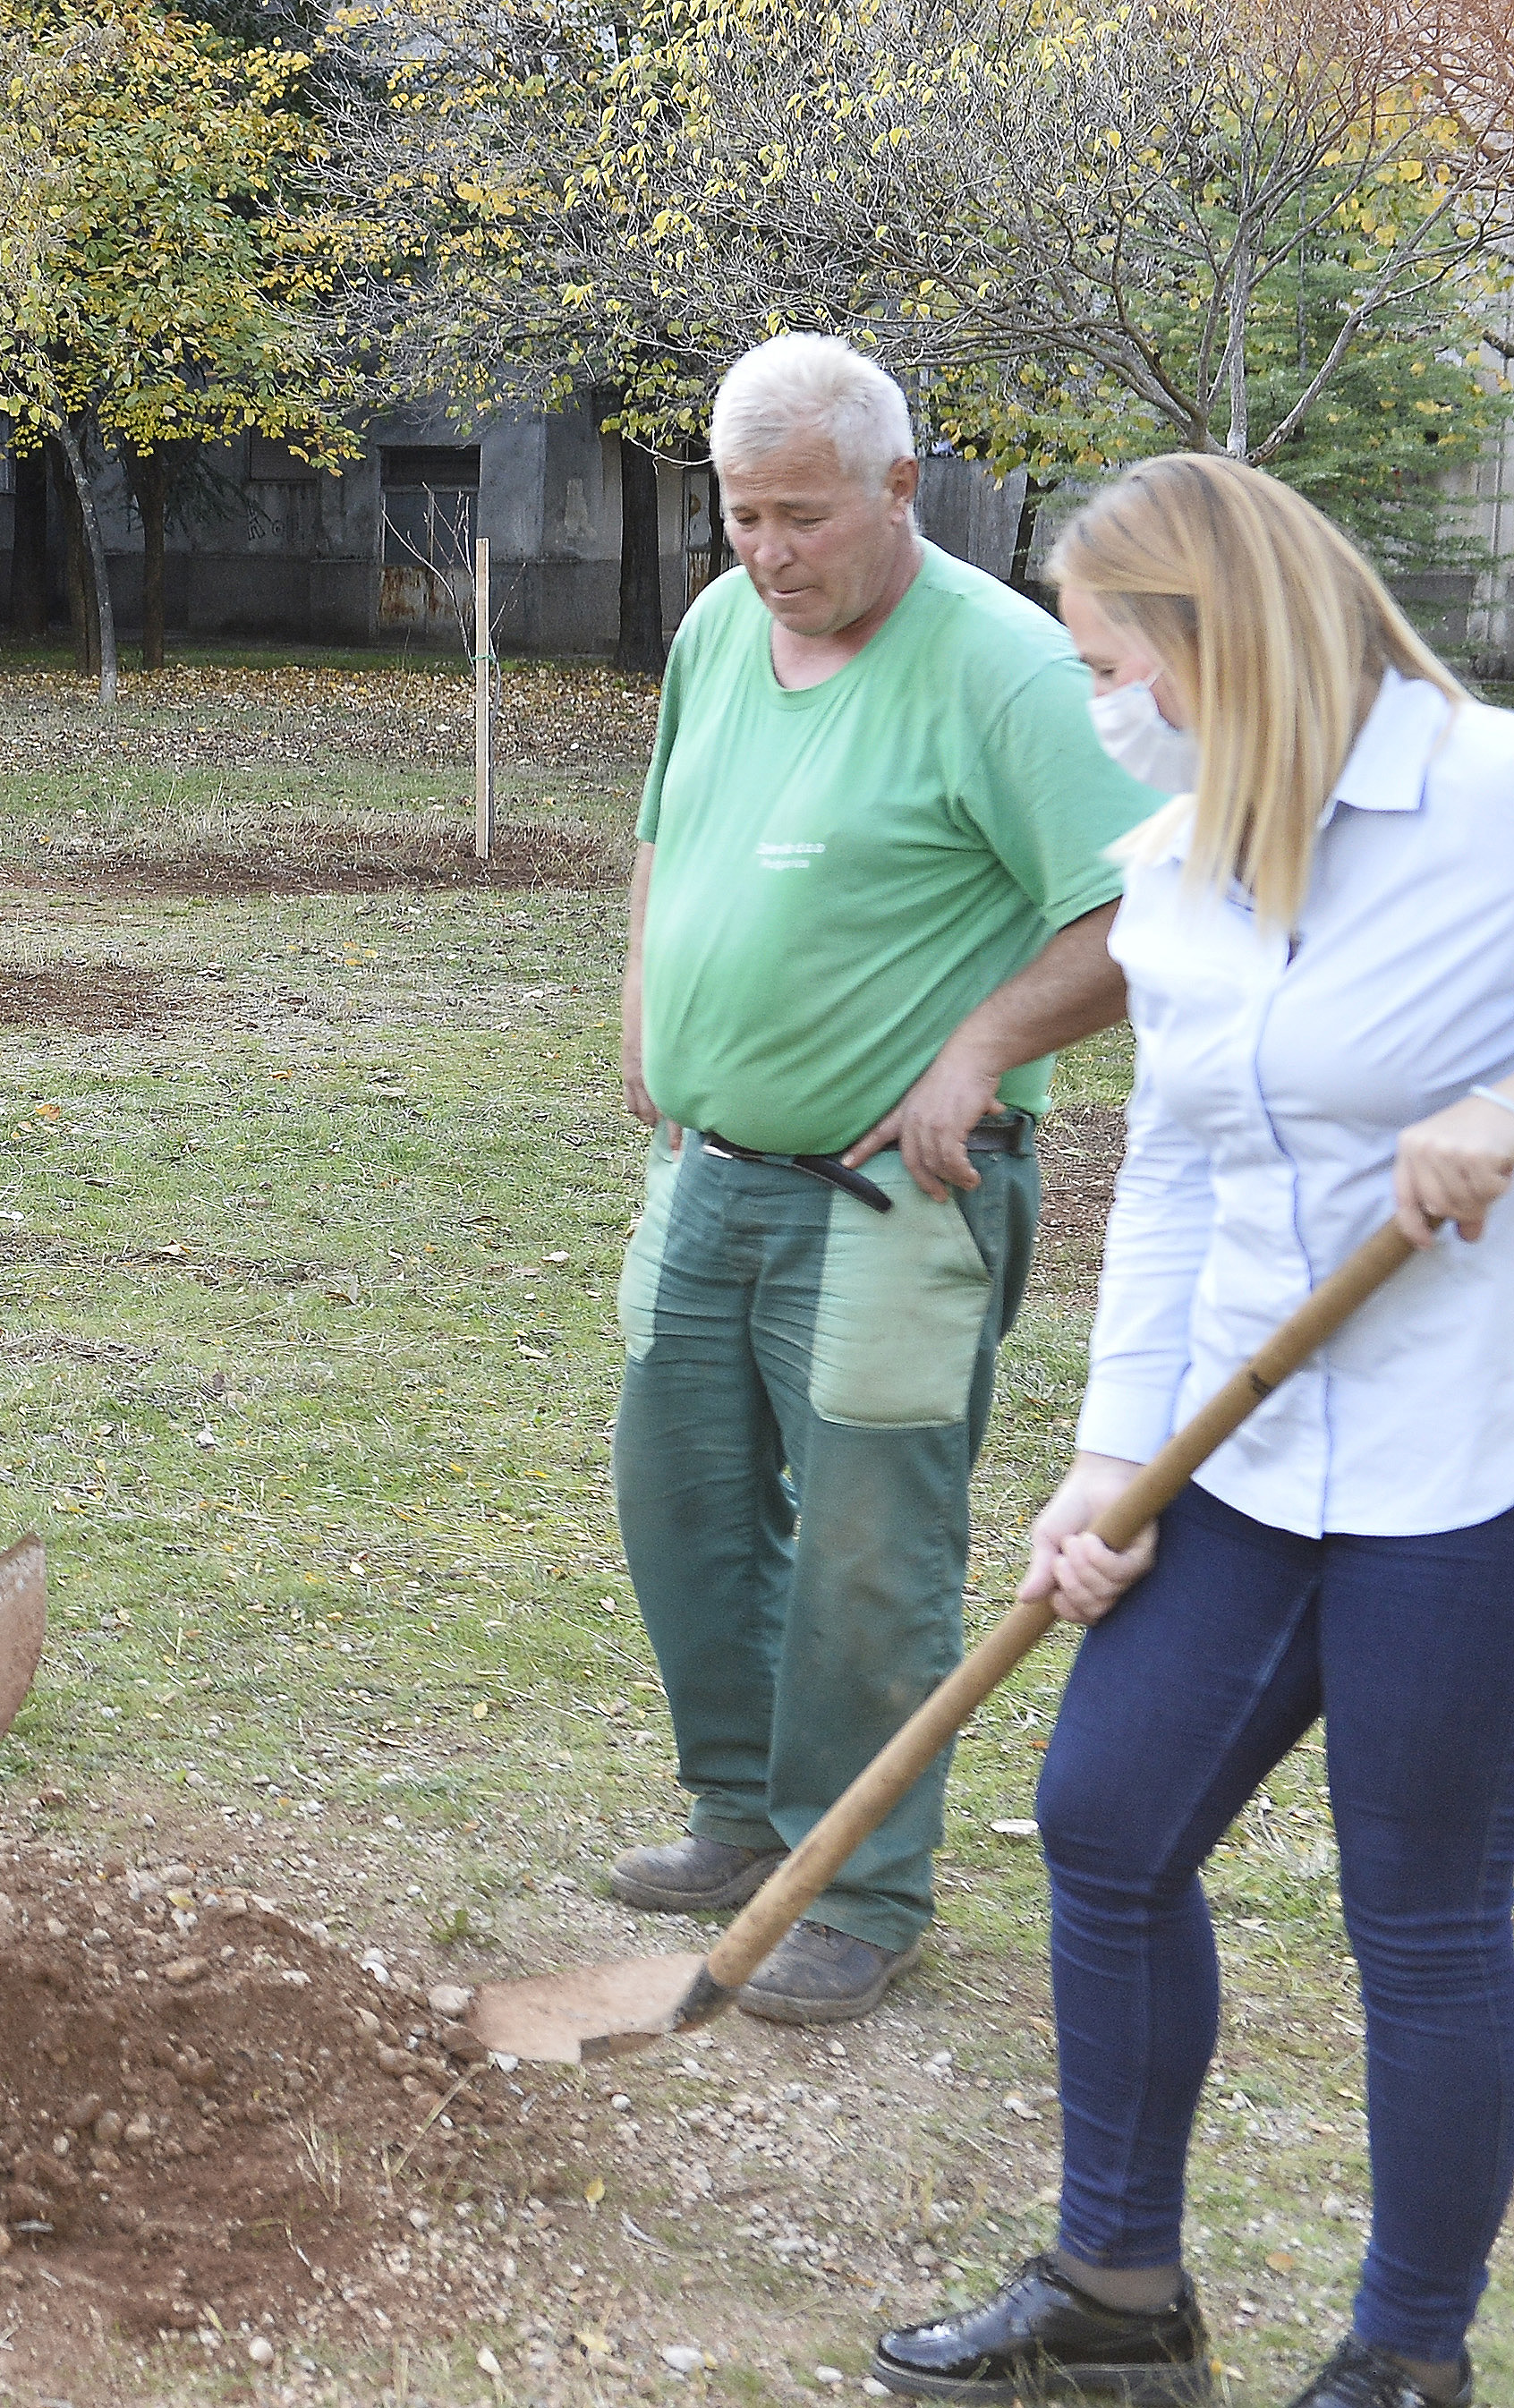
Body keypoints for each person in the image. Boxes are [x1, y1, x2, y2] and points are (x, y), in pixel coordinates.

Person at [874, 457, 1514, 2408]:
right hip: (1232, 1453)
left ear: (1211, 645)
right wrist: (1100, 1456)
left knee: (1418, 1909)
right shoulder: (1174, 877)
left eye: (1103, 664)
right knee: (1103, 1820)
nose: (1096, 710)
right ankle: (1117, 2288)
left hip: (1459, 1470)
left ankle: (1403, 2353)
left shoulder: (1485, 803)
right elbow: (1168, 1182)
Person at [608, 333, 1160, 2022]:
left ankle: (858, 1881)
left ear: (903, 485)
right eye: (740, 515)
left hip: (895, 1201)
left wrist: (976, 1049)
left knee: (866, 1548)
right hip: (707, 1170)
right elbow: (662, 836)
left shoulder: (1003, 666)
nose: (766, 553)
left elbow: (1136, 909)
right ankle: (740, 1813)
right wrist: (646, 1008)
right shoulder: (718, 630)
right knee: (680, 1506)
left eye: (801, 516)